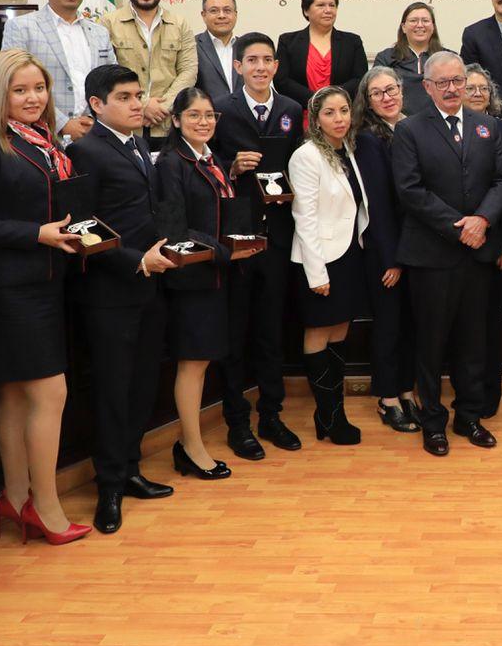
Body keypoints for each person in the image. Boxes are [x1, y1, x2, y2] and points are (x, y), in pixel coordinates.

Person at [0, 49, 90, 545]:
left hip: (49, 282)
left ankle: (14, 498)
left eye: (39, 88)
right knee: (50, 394)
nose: (33, 98)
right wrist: (37, 234)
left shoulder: (45, 143)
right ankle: (46, 506)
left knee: (13, 395)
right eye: (20, 90)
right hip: (11, 288)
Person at [65, 64, 176, 534]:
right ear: (97, 104)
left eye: (138, 95)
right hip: (111, 288)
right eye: (126, 97)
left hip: (149, 285)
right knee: (112, 389)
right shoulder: (85, 150)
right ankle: (108, 484)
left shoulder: (138, 145)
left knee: (141, 383)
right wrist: (135, 260)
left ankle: (130, 468)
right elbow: (82, 228)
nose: (137, 104)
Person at [391, 51, 502, 456]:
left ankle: (469, 417)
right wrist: (460, 227)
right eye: (442, 82)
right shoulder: (409, 130)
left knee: (473, 341)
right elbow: (410, 191)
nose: (452, 89)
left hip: (478, 255)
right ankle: (433, 423)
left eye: (457, 81)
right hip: (432, 256)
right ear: (426, 87)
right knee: (431, 343)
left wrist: (482, 221)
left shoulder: (486, 126)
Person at [211, 32, 305, 459]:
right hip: (237, 236)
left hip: (280, 235)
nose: (261, 67)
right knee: (235, 332)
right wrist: (231, 168)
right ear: (238, 67)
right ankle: (237, 421)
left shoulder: (290, 109)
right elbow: (206, 169)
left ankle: (272, 414)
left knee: (271, 331)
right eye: (252, 60)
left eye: (268, 60)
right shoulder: (220, 111)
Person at [155, 88, 253, 482]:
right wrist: (225, 252)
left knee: (206, 360)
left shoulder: (212, 159)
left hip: (218, 276)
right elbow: (175, 228)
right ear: (176, 120)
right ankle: (191, 447)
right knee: (192, 364)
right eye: (194, 115)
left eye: (210, 116)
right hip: (192, 278)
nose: (204, 122)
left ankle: (189, 443)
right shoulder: (171, 163)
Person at [290, 86, 376, 445]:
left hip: (348, 254)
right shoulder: (306, 156)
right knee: (319, 331)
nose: (340, 119)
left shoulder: (347, 151)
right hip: (320, 258)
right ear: (315, 118)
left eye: (344, 111)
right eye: (330, 113)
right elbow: (304, 219)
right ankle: (328, 414)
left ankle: (331, 412)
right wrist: (316, 274)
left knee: (340, 329)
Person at [356, 65, 419, 430]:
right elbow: (377, 203)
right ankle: (388, 396)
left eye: (392, 89)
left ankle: (407, 390)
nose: (387, 97)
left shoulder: (412, 126)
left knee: (412, 323)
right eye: (377, 92)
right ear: (368, 100)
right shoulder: (368, 139)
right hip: (386, 252)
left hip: (418, 247)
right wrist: (393, 259)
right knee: (389, 324)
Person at [463, 64, 502, 419]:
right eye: (468, 87)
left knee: (487, 324)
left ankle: (489, 394)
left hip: (493, 243)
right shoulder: (440, 130)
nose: (475, 93)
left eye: (482, 88)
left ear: (491, 96)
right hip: (453, 241)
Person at [0, 0, 114, 142]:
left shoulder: (100, 32)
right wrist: (62, 124)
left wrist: (95, 119)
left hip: (95, 133)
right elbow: (13, 84)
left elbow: (112, 82)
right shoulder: (21, 27)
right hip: (43, 134)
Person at [100, 0, 199, 142]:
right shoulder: (108, 23)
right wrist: (143, 104)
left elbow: (189, 71)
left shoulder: (179, 24)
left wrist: (163, 106)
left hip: (168, 124)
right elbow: (107, 73)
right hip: (124, 128)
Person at [275, 0, 369, 107]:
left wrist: (332, 99)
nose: (328, 10)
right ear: (306, 11)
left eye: (332, 5)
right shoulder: (288, 41)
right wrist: (316, 101)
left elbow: (360, 79)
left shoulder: (352, 41)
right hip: (300, 112)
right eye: (321, 5)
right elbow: (281, 81)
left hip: (341, 113)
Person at [373, 2, 444, 116]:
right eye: (413, 21)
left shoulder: (448, 59)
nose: (420, 25)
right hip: (397, 123)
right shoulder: (385, 59)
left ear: (433, 27)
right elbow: (377, 95)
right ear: (403, 27)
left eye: (425, 21)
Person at [194, 0, 241, 103]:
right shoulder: (192, 46)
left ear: (235, 14)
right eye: (214, 11)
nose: (221, 15)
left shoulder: (246, 47)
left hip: (243, 117)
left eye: (227, 10)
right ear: (203, 15)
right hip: (207, 117)